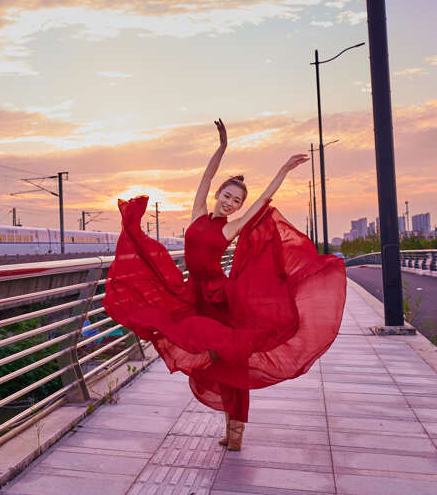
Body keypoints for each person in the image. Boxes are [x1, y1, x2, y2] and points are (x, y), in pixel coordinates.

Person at [103, 120, 346, 451]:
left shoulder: (230, 229)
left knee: (232, 361)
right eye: (227, 196)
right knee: (216, 359)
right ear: (218, 195)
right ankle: (232, 427)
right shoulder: (198, 214)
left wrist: (284, 171)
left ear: (239, 208)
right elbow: (205, 177)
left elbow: (263, 200)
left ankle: (236, 428)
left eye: (236, 201)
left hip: (219, 297)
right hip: (194, 294)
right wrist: (222, 146)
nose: (230, 203)